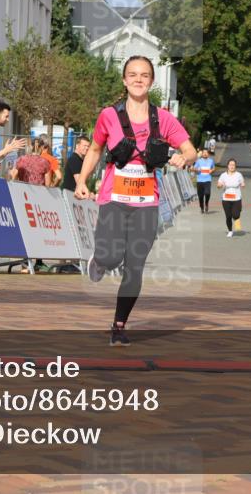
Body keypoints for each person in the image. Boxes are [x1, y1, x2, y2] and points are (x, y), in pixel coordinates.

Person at [74, 55, 196, 347]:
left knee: (135, 266)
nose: (138, 79)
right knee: (111, 258)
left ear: (151, 81)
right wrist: (81, 181)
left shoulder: (163, 119)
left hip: (146, 204)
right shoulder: (109, 116)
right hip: (114, 199)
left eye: (144, 75)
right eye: (132, 74)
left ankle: (119, 325)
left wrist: (184, 157)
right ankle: (100, 260)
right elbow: (95, 149)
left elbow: (190, 150)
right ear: (124, 80)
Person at [217, 159, 246, 237]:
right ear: (228, 166)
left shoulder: (239, 175)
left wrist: (243, 184)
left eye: (233, 165)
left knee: (236, 215)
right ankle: (230, 231)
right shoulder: (223, 175)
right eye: (230, 165)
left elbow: (242, 183)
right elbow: (218, 185)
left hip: (236, 198)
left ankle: (236, 218)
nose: (232, 166)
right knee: (228, 216)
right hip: (226, 199)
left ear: (235, 166)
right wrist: (220, 185)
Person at [193, 148, 215, 213]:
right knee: (200, 196)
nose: (205, 154)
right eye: (204, 153)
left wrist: (212, 170)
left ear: (208, 154)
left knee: (207, 193)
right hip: (200, 180)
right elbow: (194, 168)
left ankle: (206, 203)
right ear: (202, 154)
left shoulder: (211, 161)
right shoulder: (198, 161)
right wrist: (197, 170)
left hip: (208, 179)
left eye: (206, 153)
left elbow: (213, 168)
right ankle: (202, 207)